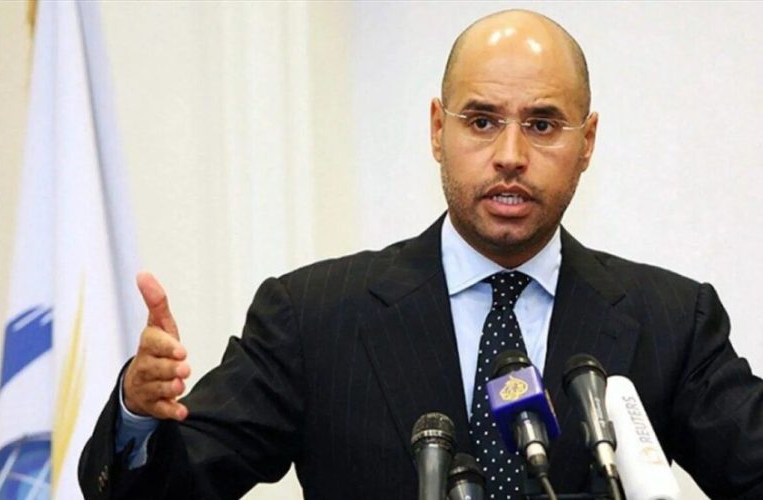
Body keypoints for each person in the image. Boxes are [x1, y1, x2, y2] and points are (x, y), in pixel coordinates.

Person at [78, 9, 763, 500]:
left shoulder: (671, 320)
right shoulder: (313, 317)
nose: (511, 155)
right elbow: (168, 487)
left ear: (586, 142)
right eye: (482, 120)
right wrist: (139, 414)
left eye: (543, 124)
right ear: (438, 129)